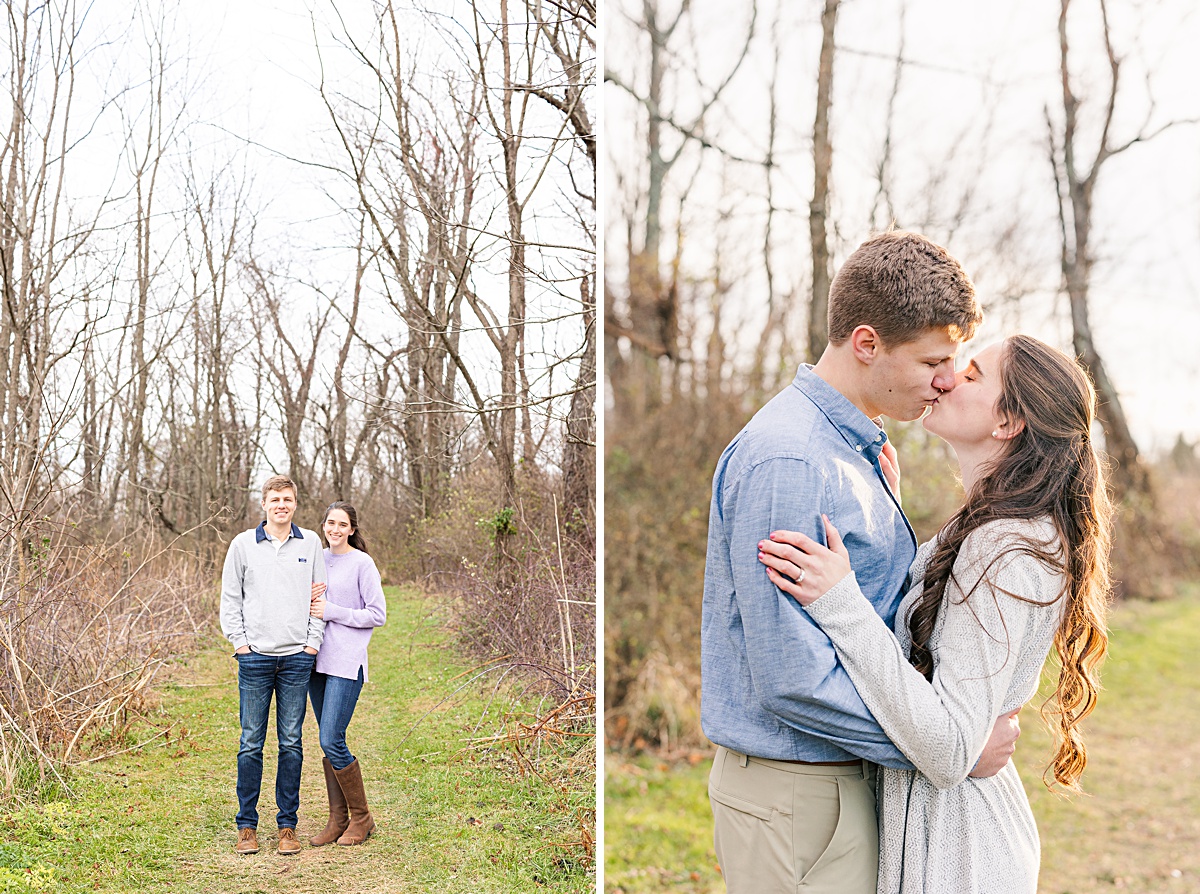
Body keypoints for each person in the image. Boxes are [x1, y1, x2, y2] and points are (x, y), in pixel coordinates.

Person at [701, 230, 1021, 894]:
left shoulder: (853, 451)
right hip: (797, 795)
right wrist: (944, 751)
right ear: (867, 343)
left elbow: (871, 618)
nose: (948, 379)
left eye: (957, 361)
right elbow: (791, 676)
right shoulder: (792, 458)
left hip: (839, 786)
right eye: (933, 359)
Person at [759, 335, 1112, 892]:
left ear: (1009, 422)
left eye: (971, 376)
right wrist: (890, 519)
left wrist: (839, 602)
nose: (945, 379)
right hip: (946, 832)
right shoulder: (985, 528)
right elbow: (933, 646)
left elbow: (950, 749)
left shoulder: (1006, 550)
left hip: (962, 854)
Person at [219, 474, 327, 856]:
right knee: (251, 743)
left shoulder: (311, 542)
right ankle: (246, 826)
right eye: (275, 499)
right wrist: (242, 644)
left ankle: (287, 827)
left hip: (297, 658)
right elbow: (230, 599)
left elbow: (320, 596)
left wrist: (311, 645)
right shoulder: (243, 545)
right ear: (263, 504)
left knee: (292, 743)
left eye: (288, 499)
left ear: (295, 504)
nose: (282, 505)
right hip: (255, 659)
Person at [306, 501, 387, 847]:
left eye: (342, 524)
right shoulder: (316, 558)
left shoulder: (362, 563)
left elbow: (377, 614)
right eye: (330, 523)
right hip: (314, 661)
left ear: (352, 529)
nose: (335, 529)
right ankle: (338, 819)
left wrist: (332, 611)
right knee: (328, 739)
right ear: (323, 525)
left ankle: (362, 817)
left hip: (345, 662)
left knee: (330, 738)